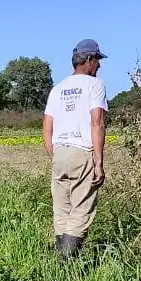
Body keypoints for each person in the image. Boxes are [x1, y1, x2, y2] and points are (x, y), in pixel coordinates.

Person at [42, 38, 108, 257]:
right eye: (97, 60)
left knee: (62, 212)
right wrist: (98, 162)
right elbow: (96, 121)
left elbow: (46, 128)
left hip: (59, 153)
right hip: (82, 153)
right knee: (80, 211)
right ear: (88, 60)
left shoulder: (57, 89)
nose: (99, 65)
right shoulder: (95, 85)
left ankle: (58, 266)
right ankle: (66, 265)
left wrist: (55, 154)